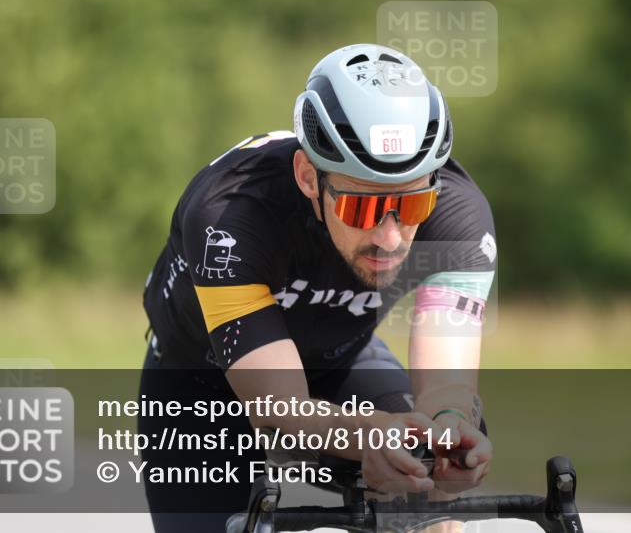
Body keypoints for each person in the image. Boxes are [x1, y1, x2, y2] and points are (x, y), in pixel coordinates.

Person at [140, 44, 497, 532]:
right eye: (364, 208)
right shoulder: (231, 214)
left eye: (412, 206)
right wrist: (369, 436)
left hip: (339, 359)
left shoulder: (458, 213)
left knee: (426, 488)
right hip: (198, 380)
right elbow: (279, 405)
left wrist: (450, 425)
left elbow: (446, 385)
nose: (390, 237)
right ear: (310, 177)